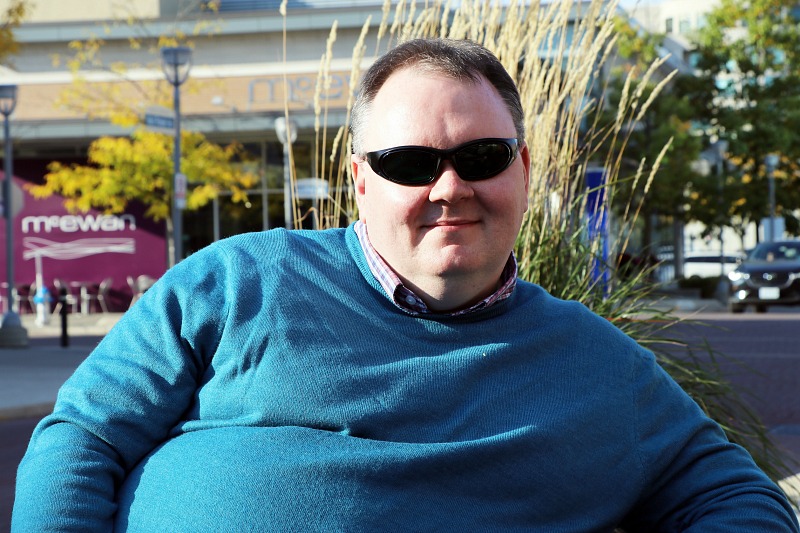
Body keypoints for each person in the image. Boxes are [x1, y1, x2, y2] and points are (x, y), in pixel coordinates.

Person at [12, 38, 799, 532]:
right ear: (359, 180)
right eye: (411, 164)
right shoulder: (234, 282)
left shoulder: (598, 364)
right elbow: (80, 437)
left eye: (482, 157)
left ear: (523, 170)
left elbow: (740, 500)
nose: (449, 187)